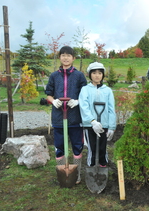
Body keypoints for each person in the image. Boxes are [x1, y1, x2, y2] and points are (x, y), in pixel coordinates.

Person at [45, 46, 87, 184]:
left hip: (75, 117)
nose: (66, 57)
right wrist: (54, 101)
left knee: (77, 146)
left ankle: (76, 175)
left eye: (69, 55)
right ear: (59, 57)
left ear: (73, 58)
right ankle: (62, 174)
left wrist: (78, 101)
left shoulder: (79, 75)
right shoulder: (54, 76)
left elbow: (85, 94)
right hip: (58, 117)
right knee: (59, 146)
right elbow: (48, 94)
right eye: (63, 55)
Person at [79, 62, 116, 169]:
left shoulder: (107, 90)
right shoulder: (85, 89)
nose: (97, 75)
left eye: (100, 73)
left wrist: (112, 127)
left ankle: (103, 164)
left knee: (102, 147)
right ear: (90, 74)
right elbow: (84, 107)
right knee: (92, 147)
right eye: (94, 73)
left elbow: (111, 109)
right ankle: (91, 166)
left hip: (104, 124)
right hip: (89, 125)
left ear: (103, 75)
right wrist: (92, 121)